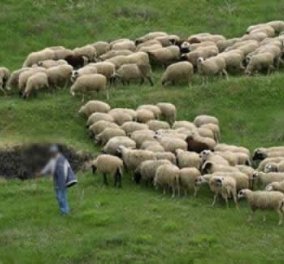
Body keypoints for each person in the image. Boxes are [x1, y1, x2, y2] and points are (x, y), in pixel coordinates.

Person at [37, 144, 77, 215]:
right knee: (59, 197)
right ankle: (63, 210)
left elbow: (64, 172)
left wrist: (63, 182)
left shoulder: (62, 160)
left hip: (62, 181)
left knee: (62, 197)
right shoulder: (53, 160)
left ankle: (65, 211)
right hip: (57, 181)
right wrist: (41, 173)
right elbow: (48, 167)